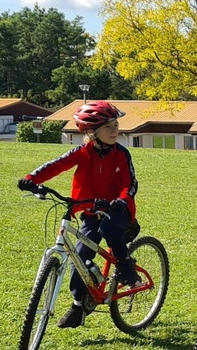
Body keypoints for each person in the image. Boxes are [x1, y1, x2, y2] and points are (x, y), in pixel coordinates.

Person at [17, 99, 140, 329]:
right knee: (79, 258)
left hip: (117, 210)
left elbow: (130, 183)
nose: (115, 130)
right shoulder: (82, 153)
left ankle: (126, 269)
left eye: (115, 125)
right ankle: (78, 304)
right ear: (92, 133)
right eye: (108, 127)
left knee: (108, 228)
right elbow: (56, 165)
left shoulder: (121, 154)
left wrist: (122, 200)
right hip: (91, 211)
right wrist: (31, 179)